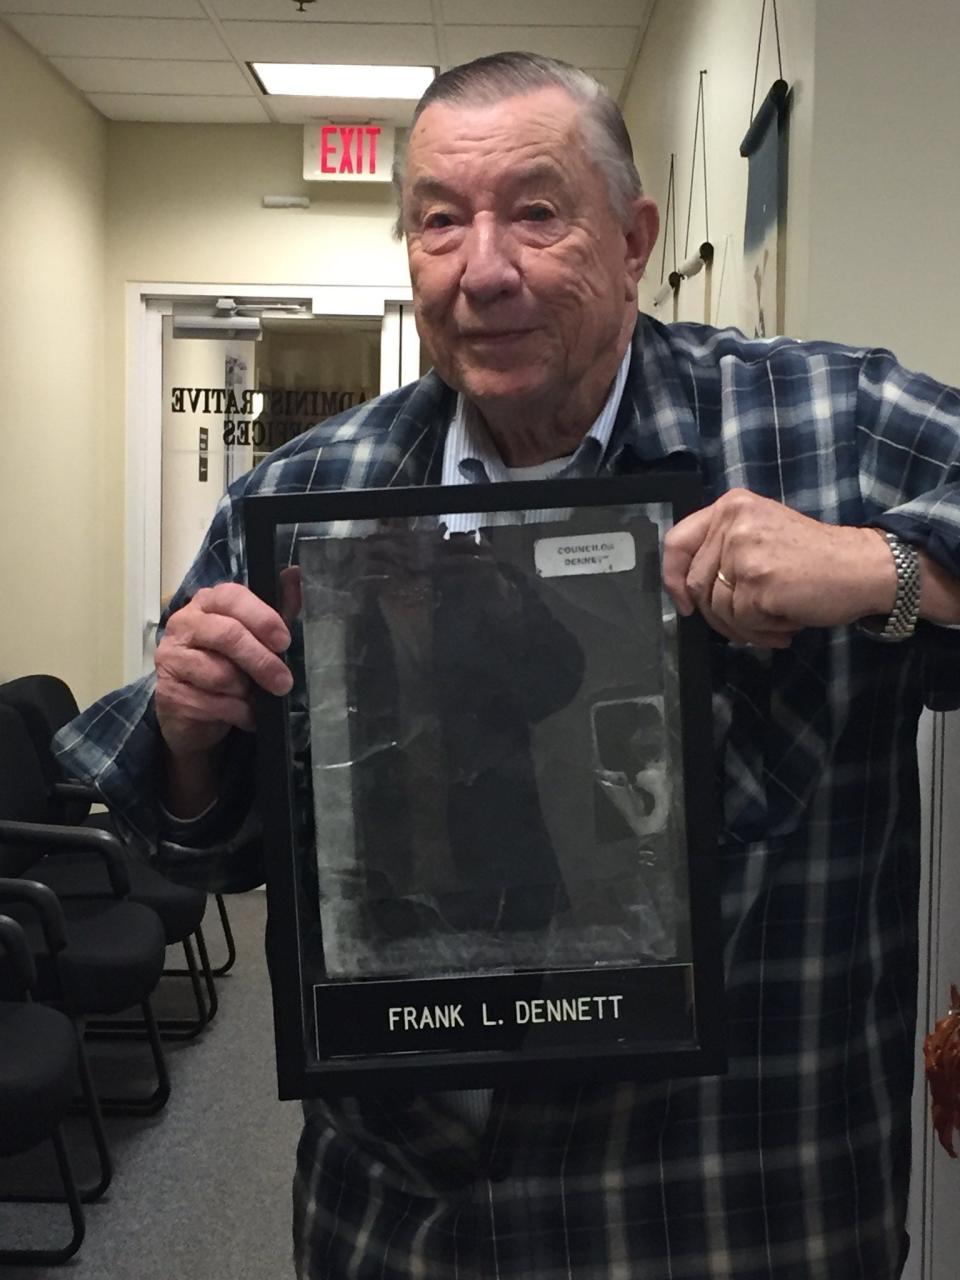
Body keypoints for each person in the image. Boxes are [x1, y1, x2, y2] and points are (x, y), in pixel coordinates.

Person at [54, 51, 960, 1280]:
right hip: (411, 1221)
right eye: (440, 222)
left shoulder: (824, 429)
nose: (484, 269)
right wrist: (192, 734)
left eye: (536, 211)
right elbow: (211, 838)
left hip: (735, 1208)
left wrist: (887, 569)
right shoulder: (311, 495)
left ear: (634, 237)